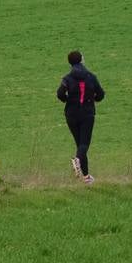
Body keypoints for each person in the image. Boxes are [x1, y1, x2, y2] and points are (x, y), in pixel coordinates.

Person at [56, 50, 105, 184]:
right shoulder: (91, 76)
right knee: (84, 144)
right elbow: (101, 95)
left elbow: (60, 93)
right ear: (82, 60)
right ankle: (77, 160)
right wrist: (92, 98)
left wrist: (68, 100)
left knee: (80, 145)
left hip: (71, 114)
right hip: (87, 113)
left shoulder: (67, 78)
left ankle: (86, 177)